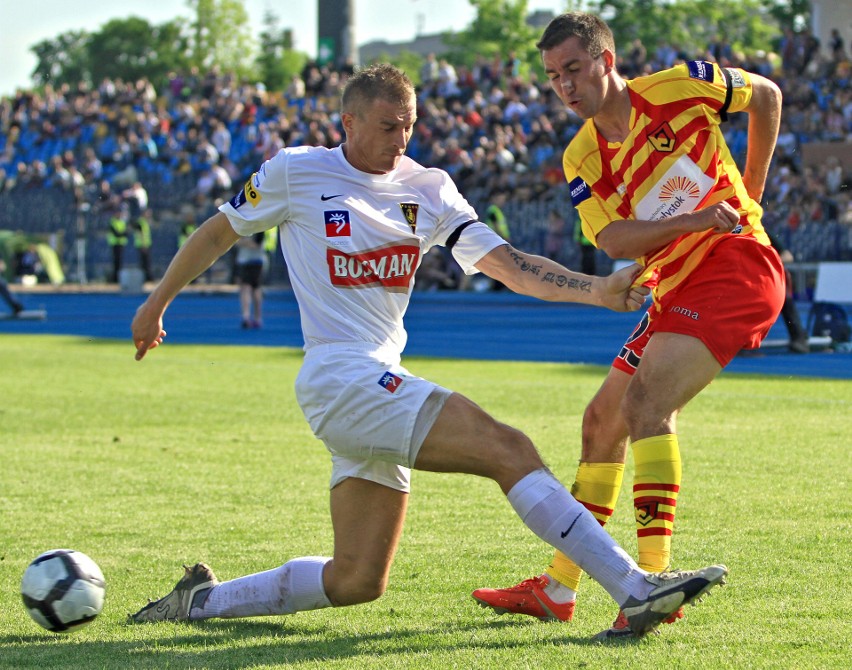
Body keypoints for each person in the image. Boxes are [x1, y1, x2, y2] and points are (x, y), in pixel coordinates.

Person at [128, 63, 727, 638]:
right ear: (349, 124)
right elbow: (216, 232)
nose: (402, 138)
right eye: (389, 126)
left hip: (373, 381)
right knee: (508, 448)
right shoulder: (296, 173)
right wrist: (155, 304)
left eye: (410, 124)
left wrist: (597, 289)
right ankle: (632, 586)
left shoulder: (428, 187)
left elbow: (509, 265)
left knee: (358, 578)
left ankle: (200, 601)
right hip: (339, 374)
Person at [472, 13, 783, 640]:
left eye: (573, 69)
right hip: (676, 284)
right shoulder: (581, 154)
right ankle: (560, 586)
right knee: (601, 422)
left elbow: (768, 97)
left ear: (606, 60)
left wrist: (750, 190)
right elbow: (612, 237)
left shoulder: (678, 85)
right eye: (553, 76)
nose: (563, 85)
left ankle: (654, 582)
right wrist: (693, 221)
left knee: (645, 407)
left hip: (735, 266)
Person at [235, 231, 266, 328]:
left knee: (249, 288)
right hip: (246, 261)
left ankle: (249, 317)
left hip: (254, 261)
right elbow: (236, 242)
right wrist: (245, 242)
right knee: (253, 288)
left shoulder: (259, 226)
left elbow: (256, 244)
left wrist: (244, 242)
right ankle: (253, 317)